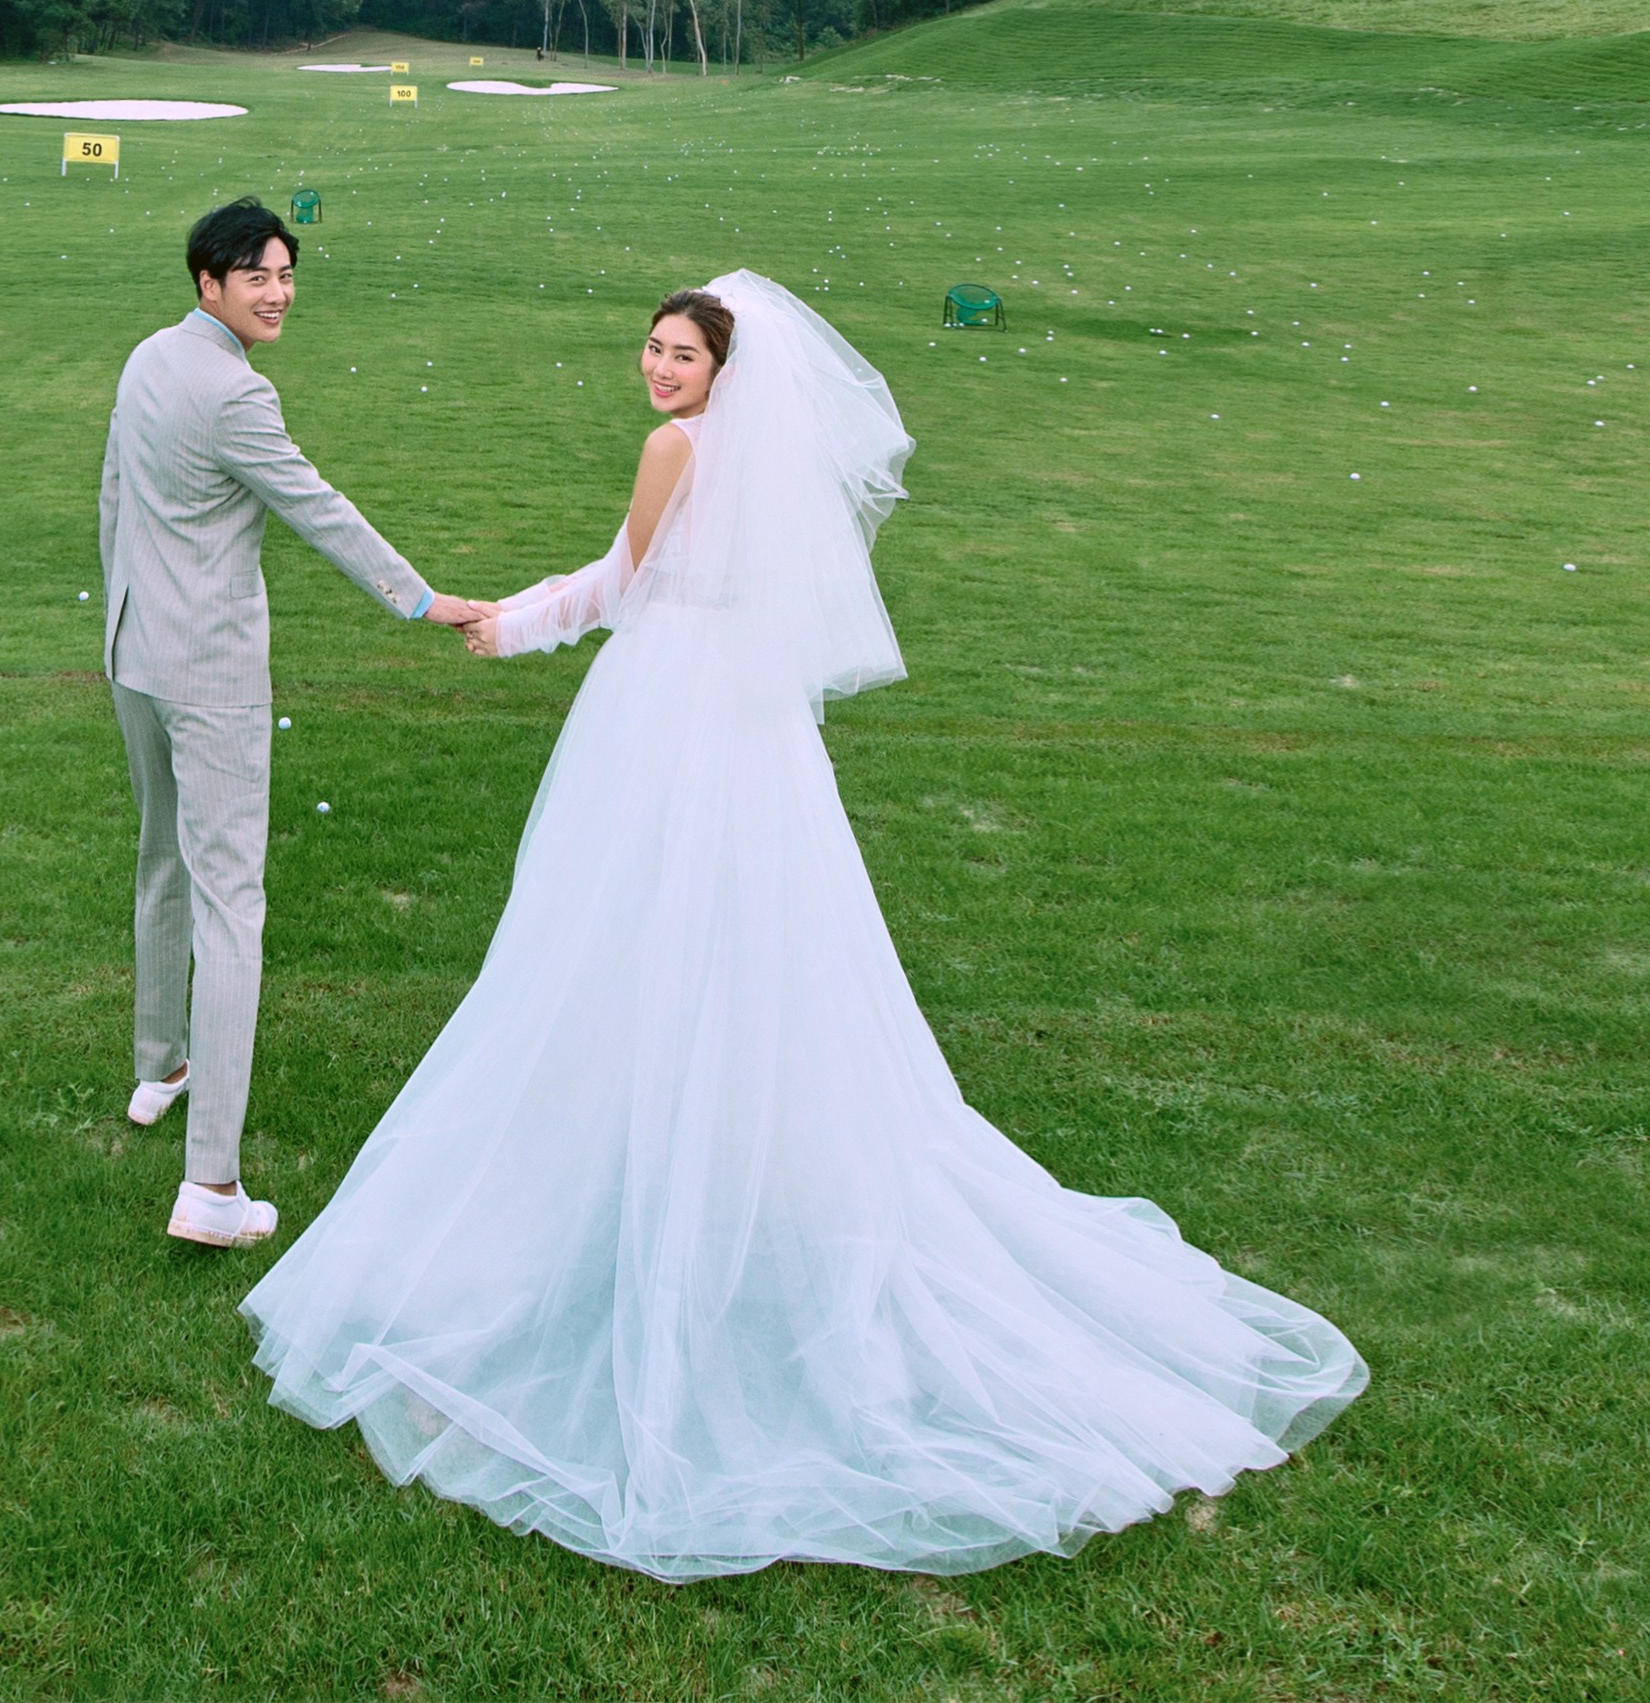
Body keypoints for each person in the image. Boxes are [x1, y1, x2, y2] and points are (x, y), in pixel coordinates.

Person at [242, 273, 1364, 1578]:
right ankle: (719, 1171)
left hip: (670, 713)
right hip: (753, 726)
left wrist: (516, 622)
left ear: (724, 370)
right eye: (651, 348)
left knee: (622, 932)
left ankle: (659, 1180)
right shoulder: (758, 461)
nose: (658, 370)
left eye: (680, 353)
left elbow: (624, 580)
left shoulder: (678, 449)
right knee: (750, 942)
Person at [99, 196, 494, 1248]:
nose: (276, 294)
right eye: (255, 277)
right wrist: (419, 598)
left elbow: (115, 502)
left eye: (285, 274)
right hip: (205, 671)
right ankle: (211, 1187)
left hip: (137, 652)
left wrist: (120, 621)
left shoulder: (147, 360)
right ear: (208, 284)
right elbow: (317, 507)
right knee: (232, 903)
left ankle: (159, 1066)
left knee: (161, 865)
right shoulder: (237, 395)